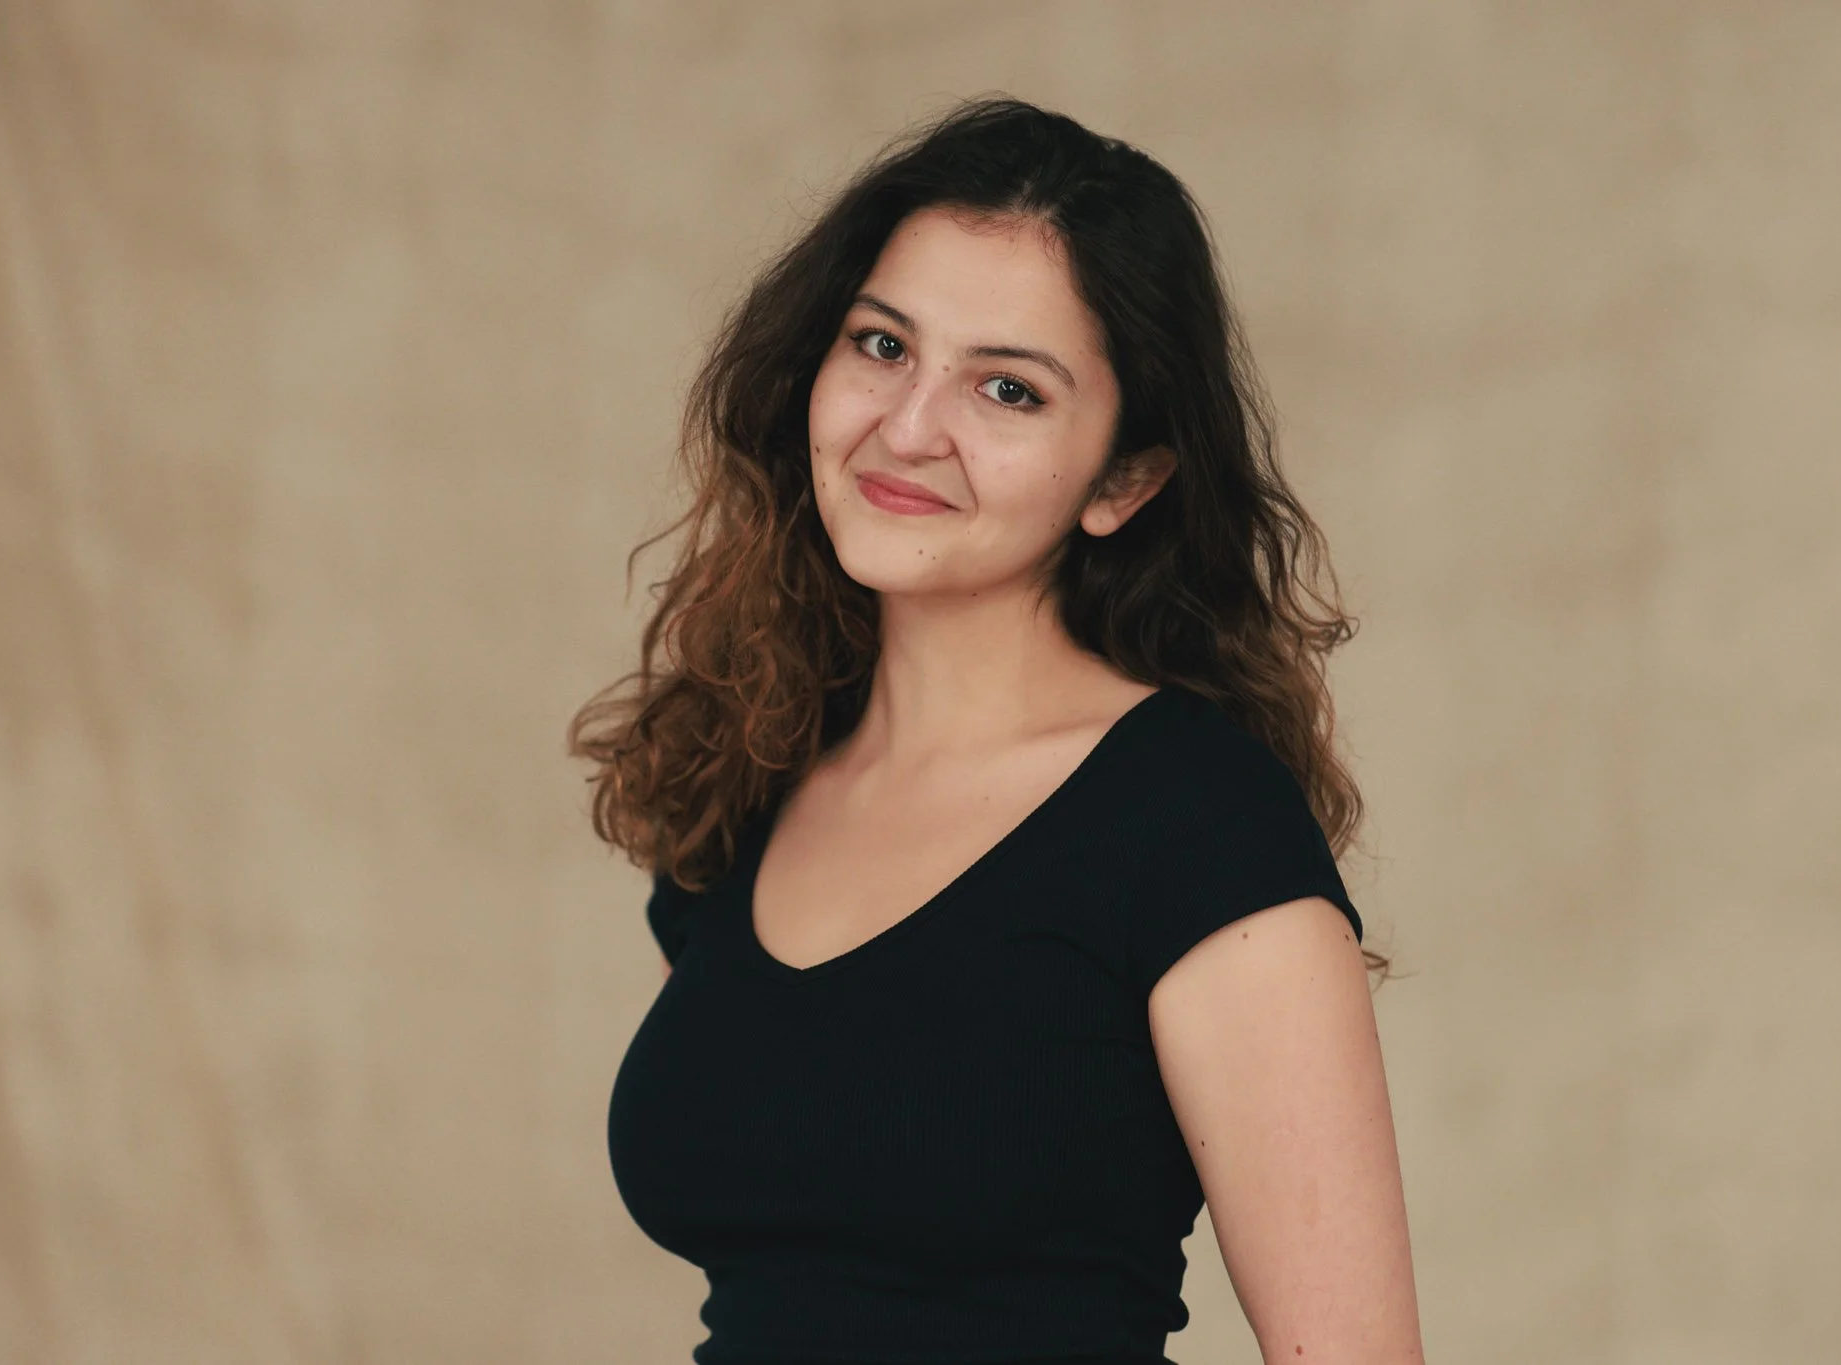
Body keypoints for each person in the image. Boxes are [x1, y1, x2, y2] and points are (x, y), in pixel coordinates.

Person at [573, 95, 1424, 1365]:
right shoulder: (743, 775)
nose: (909, 429)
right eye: (880, 346)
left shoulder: (1193, 823)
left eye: (1008, 390)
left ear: (1124, 480)